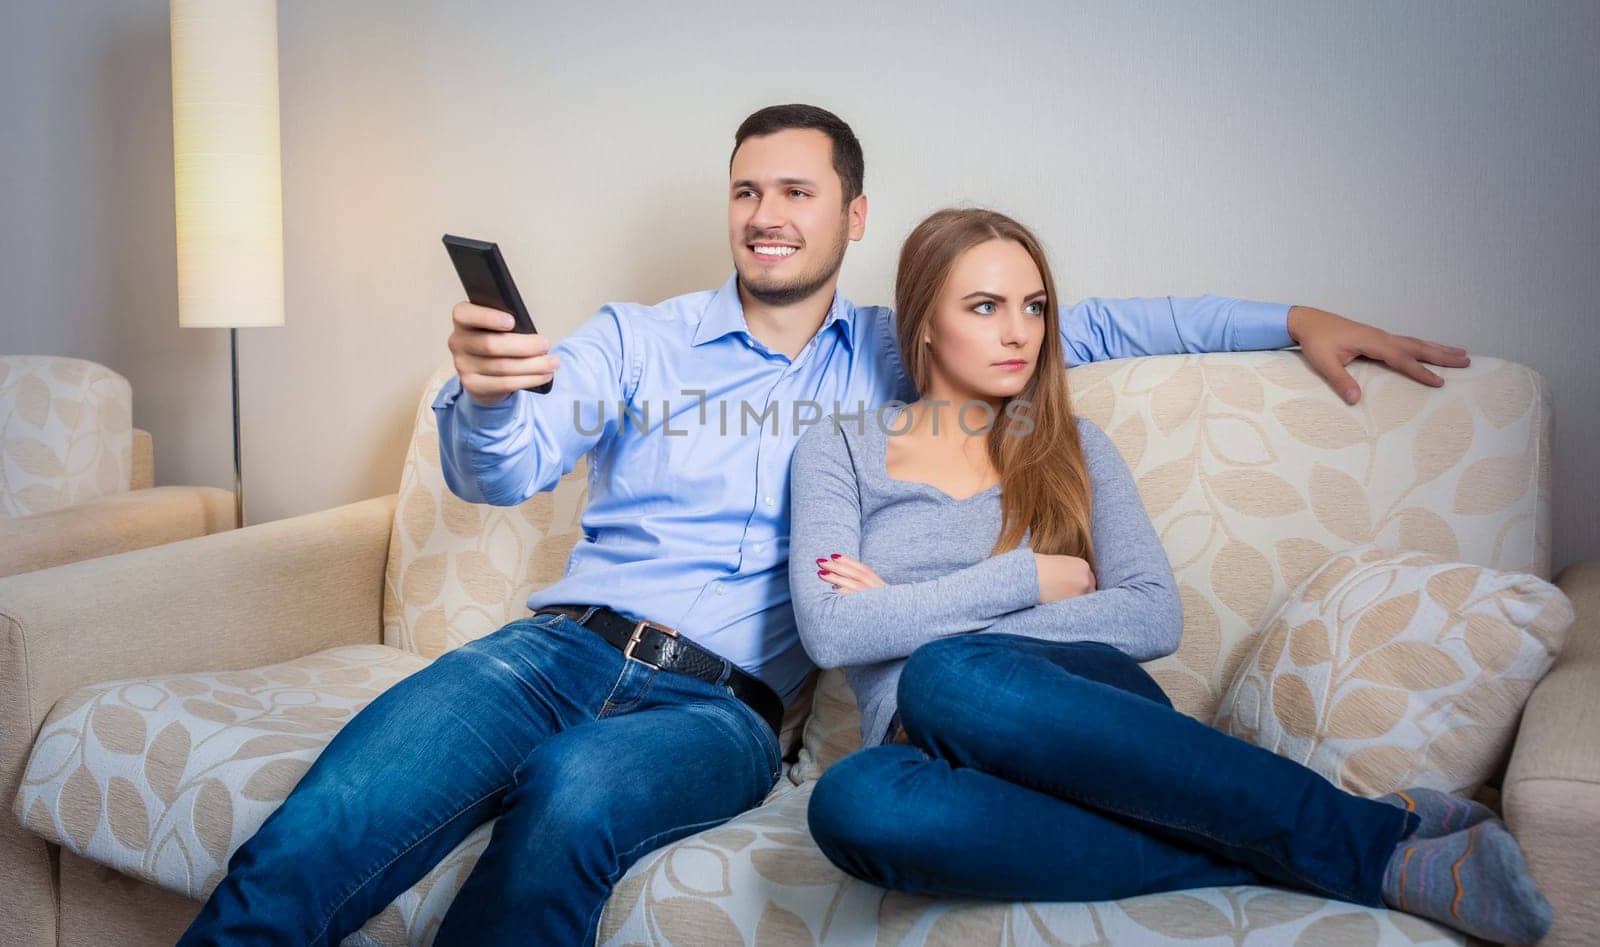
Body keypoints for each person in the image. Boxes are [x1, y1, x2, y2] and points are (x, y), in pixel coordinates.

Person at [177, 105, 1473, 945]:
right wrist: (481, 388)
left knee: (570, 805)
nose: (766, 213)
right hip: (553, 649)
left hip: (722, 712)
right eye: (746, 191)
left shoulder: (895, 356)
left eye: (797, 191)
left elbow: (1101, 323)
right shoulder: (641, 337)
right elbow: (503, 471)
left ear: (853, 218)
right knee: (322, 827)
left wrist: (1286, 317)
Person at [788, 206, 1550, 945]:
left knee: (944, 675)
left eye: (1034, 306)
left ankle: (1373, 847)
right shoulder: (840, 451)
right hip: (922, 753)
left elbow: (1152, 617)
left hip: (1089, 725)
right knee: (851, 803)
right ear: (923, 320)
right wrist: (1026, 577)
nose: (1019, 331)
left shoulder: (1075, 444)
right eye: (985, 306)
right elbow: (831, 629)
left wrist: (909, 612)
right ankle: (1287, 848)